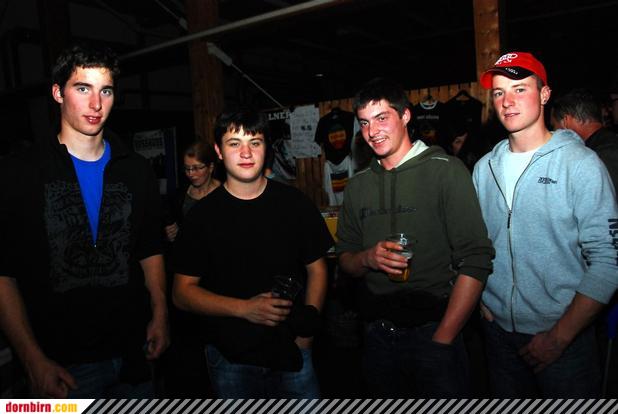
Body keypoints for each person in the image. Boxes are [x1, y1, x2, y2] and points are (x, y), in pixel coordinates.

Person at [0, 43, 169, 398]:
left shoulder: (136, 169)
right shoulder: (19, 172)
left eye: (105, 91)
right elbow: (4, 273)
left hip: (135, 353)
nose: (96, 104)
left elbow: (149, 248)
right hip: (61, 364)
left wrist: (160, 314)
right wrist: (32, 359)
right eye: (82, 88)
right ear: (57, 93)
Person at [335, 78, 494, 397]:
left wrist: (444, 338)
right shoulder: (357, 187)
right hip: (377, 336)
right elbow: (345, 260)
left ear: (405, 115)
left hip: (435, 328)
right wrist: (368, 258)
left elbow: (476, 259)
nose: (372, 131)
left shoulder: (446, 171)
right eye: (364, 123)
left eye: (382, 118)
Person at [473, 51, 618, 397]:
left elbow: (609, 259)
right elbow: (475, 245)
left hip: (564, 339)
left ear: (544, 94)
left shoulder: (580, 164)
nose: (507, 101)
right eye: (499, 92)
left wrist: (560, 336)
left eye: (520, 89)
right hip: (497, 335)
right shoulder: (483, 168)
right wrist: (480, 299)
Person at [172, 107, 333, 398]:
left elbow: (318, 268)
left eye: (254, 142)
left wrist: (306, 336)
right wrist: (244, 308)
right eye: (235, 143)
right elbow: (181, 293)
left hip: (292, 353)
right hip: (230, 359)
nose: (246, 153)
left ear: (265, 148)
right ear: (219, 152)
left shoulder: (295, 204)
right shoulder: (201, 217)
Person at [551, 88, 618, 190]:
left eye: (554, 127)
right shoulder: (607, 144)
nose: (553, 134)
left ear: (566, 122)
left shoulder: (601, 156)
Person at [164, 140, 221, 242]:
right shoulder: (179, 196)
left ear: (210, 167)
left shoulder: (225, 193)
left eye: (197, 168)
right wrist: (172, 233)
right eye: (187, 168)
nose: (190, 173)